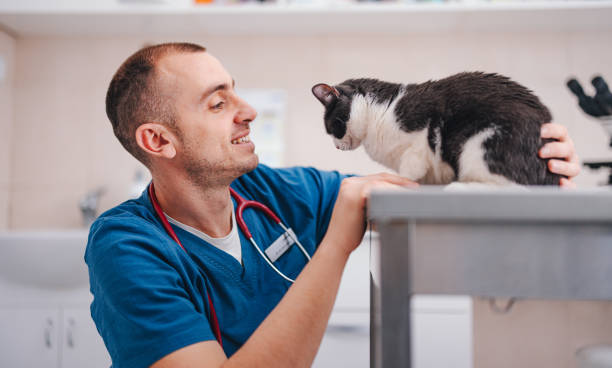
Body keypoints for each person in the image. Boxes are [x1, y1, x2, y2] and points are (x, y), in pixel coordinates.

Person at [86, 42, 580, 368]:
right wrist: (339, 239)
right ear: (158, 139)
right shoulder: (126, 246)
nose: (249, 111)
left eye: (236, 93)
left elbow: (420, 194)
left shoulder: (273, 195)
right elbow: (350, 210)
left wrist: (526, 167)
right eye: (218, 104)